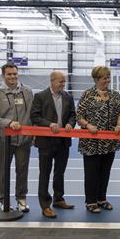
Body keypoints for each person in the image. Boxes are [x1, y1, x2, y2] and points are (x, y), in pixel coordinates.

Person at [77, 66, 120, 213]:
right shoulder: (87, 94)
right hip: (91, 142)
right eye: (105, 78)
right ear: (97, 79)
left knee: (105, 172)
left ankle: (101, 199)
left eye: (109, 77)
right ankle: (91, 201)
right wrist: (88, 125)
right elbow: (79, 116)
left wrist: (119, 125)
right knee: (91, 173)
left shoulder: (115, 95)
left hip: (110, 143)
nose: (108, 80)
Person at [0, 63, 33, 212]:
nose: (12, 77)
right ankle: (4, 200)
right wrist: (9, 123)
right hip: (4, 141)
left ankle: (21, 199)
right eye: (9, 74)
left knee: (22, 170)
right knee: (3, 171)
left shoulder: (27, 91)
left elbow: (32, 114)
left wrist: (33, 135)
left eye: (14, 74)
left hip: (24, 140)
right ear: (3, 76)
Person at [30, 71, 76, 218]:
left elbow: (73, 115)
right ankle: (45, 205)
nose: (63, 84)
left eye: (64, 82)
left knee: (59, 173)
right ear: (52, 81)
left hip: (63, 142)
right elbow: (34, 116)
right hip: (46, 142)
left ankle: (58, 199)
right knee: (45, 174)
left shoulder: (68, 96)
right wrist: (49, 124)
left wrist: (70, 124)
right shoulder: (40, 96)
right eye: (60, 82)